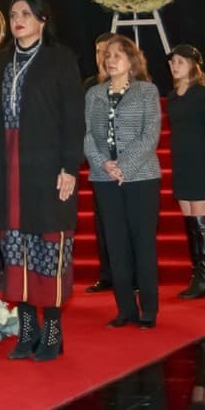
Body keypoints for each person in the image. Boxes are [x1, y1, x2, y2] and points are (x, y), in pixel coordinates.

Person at [0, 0, 84, 361]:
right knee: (14, 245)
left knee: (47, 246)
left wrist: (70, 166)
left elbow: (74, 118)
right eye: (12, 14)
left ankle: (52, 331)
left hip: (47, 165)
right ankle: (27, 330)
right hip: (7, 165)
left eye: (25, 13)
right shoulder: (2, 62)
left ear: (42, 20)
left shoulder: (60, 59)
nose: (17, 19)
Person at [83, 35, 162, 328]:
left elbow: (150, 135)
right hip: (104, 177)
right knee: (115, 245)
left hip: (141, 177)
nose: (111, 59)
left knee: (142, 243)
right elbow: (87, 134)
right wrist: (104, 163)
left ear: (131, 60)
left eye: (117, 55)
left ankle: (149, 309)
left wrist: (124, 167)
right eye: (107, 55)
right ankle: (125, 309)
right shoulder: (93, 94)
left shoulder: (147, 92)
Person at [166, 44, 205, 299]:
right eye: (173, 62)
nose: (175, 66)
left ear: (193, 65)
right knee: (189, 219)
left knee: (200, 218)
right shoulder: (173, 95)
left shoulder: (203, 93)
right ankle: (196, 273)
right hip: (181, 160)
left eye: (181, 62)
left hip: (200, 159)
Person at [82, 31, 118, 294]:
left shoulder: (132, 84)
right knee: (103, 221)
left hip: (127, 164)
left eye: (107, 52)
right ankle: (107, 275)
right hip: (98, 163)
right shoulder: (88, 87)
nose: (102, 57)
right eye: (97, 52)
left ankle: (132, 275)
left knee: (125, 223)